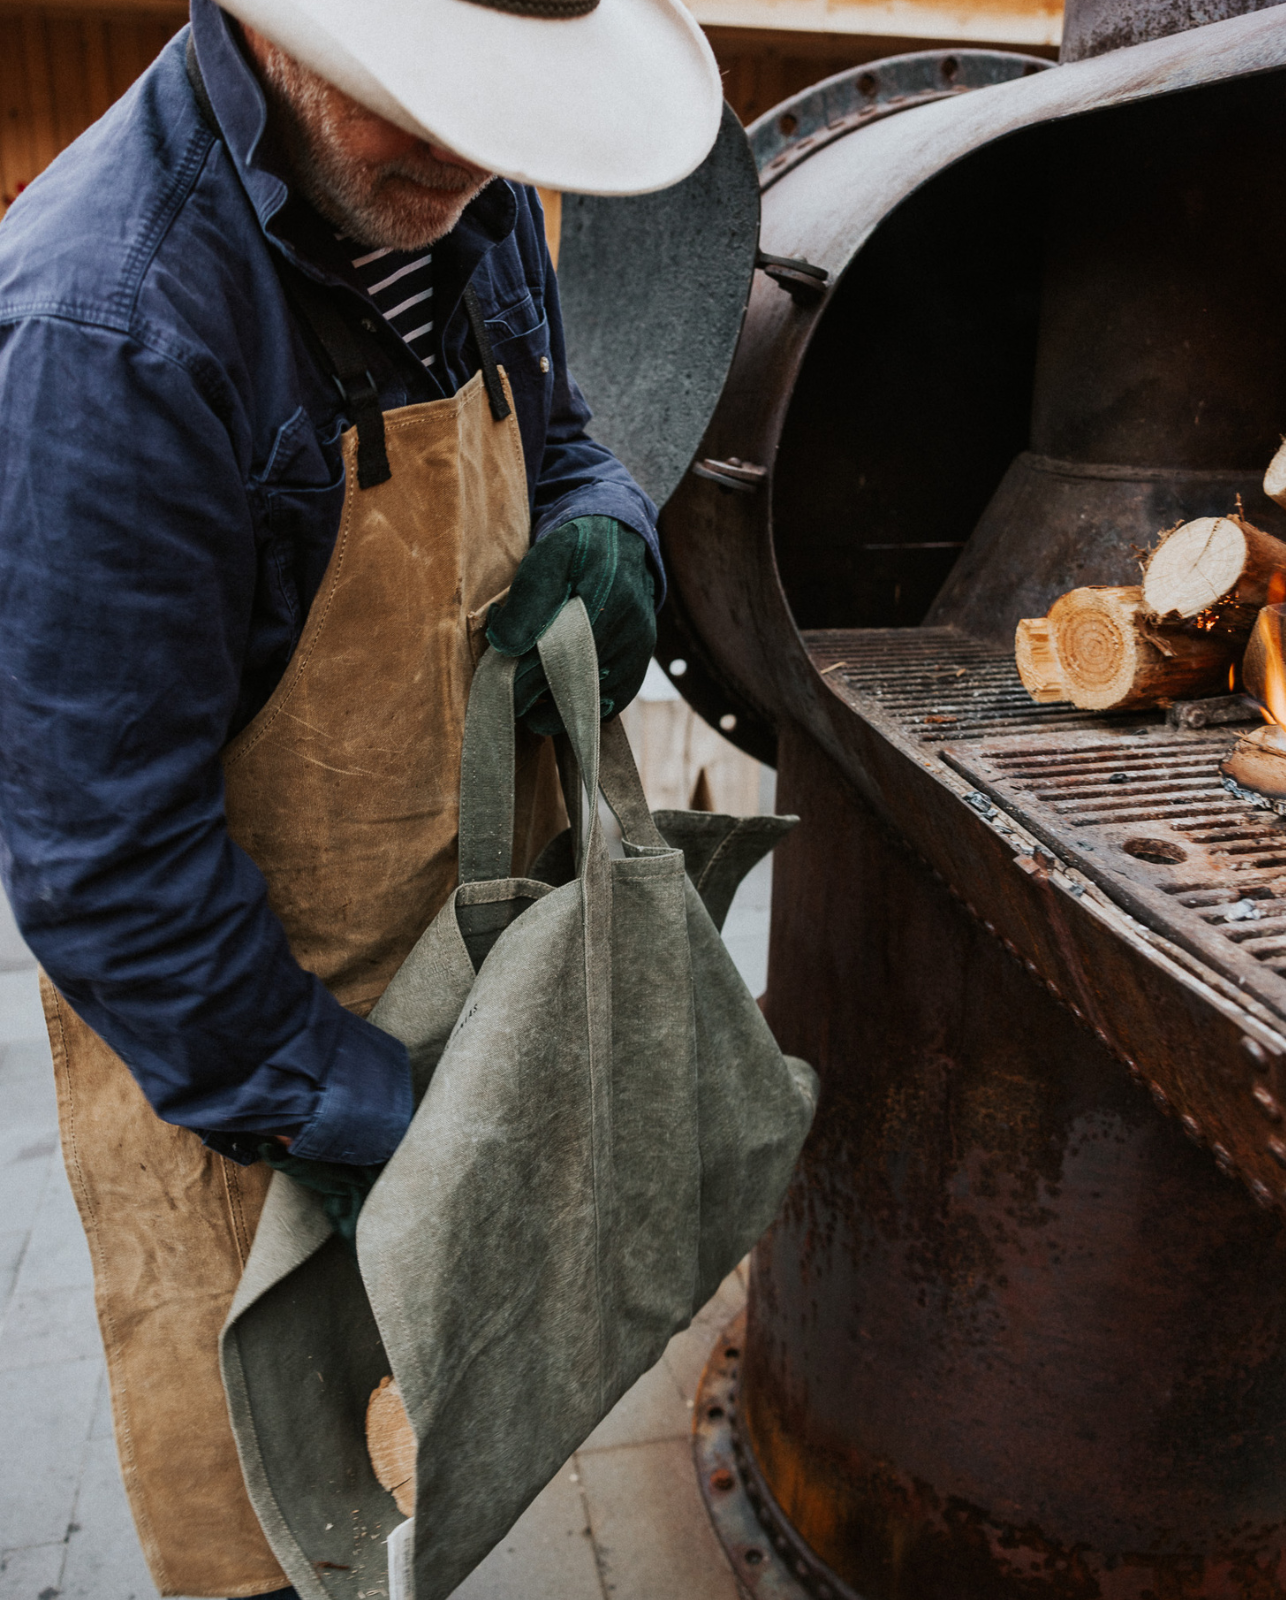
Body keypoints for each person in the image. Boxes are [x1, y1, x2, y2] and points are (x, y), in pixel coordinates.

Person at [0, 0, 721, 1593]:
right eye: (426, 109)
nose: (471, 159)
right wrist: (372, 1125)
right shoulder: (103, 328)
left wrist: (605, 528)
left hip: (451, 958)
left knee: (436, 1470)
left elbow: (567, 429)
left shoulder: (461, 199)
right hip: (242, 1059)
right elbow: (106, 860)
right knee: (278, 1515)